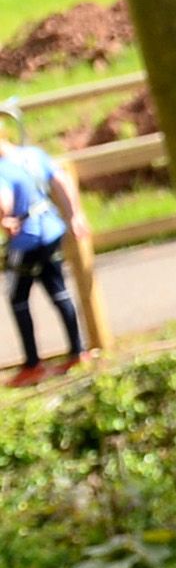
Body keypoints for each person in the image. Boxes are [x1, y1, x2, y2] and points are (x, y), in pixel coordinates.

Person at [1, 117, 85, 380]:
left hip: (24, 240)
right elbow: (61, 181)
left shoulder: (2, 169)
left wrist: (3, 219)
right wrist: (75, 215)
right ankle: (78, 352)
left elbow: (4, 201)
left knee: (17, 300)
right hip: (50, 230)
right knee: (59, 290)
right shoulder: (32, 155)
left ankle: (32, 364)